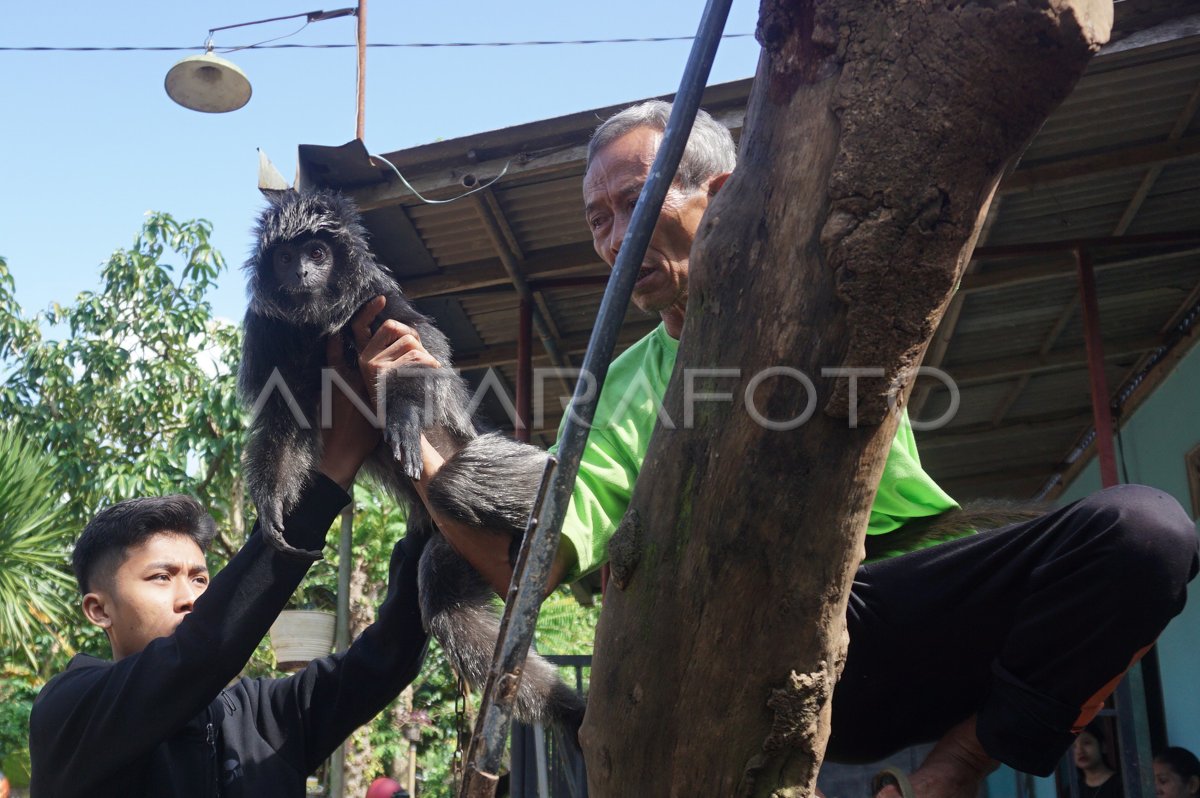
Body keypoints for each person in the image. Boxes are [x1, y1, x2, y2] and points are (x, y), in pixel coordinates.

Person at [356, 101, 1200, 798]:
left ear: (719, 194)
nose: (615, 240)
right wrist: (418, 433)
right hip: (762, 655)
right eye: (597, 221)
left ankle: (964, 760)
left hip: (904, 610)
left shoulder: (832, 284)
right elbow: (534, 560)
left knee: (1145, 534)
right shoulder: (619, 381)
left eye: (635, 203)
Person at [28, 337, 430, 798]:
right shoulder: (72, 710)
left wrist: (430, 501)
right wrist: (331, 467)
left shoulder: (267, 716)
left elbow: (387, 658)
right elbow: (201, 651)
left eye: (200, 578)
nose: (191, 596)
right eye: (161, 577)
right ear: (99, 610)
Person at [1073, 722, 1123, 798]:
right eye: (1074, 746)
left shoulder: (1122, 784)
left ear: (1103, 746)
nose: (1080, 751)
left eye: (1086, 743)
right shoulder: (1073, 790)